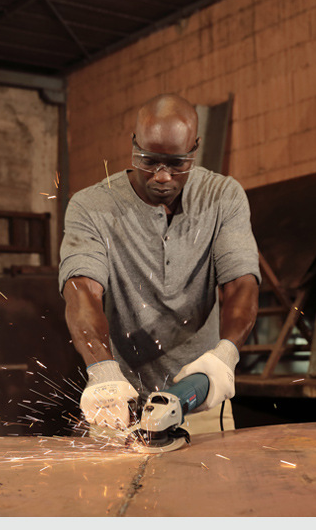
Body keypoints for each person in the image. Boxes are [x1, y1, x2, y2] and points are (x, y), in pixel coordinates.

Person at [58, 93, 260, 436]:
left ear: (195, 149)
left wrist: (225, 355)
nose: (162, 176)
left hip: (200, 400)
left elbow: (242, 284)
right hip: (118, 401)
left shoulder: (223, 198)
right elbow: (82, 291)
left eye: (177, 164)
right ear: (133, 144)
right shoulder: (91, 206)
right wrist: (102, 371)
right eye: (149, 161)